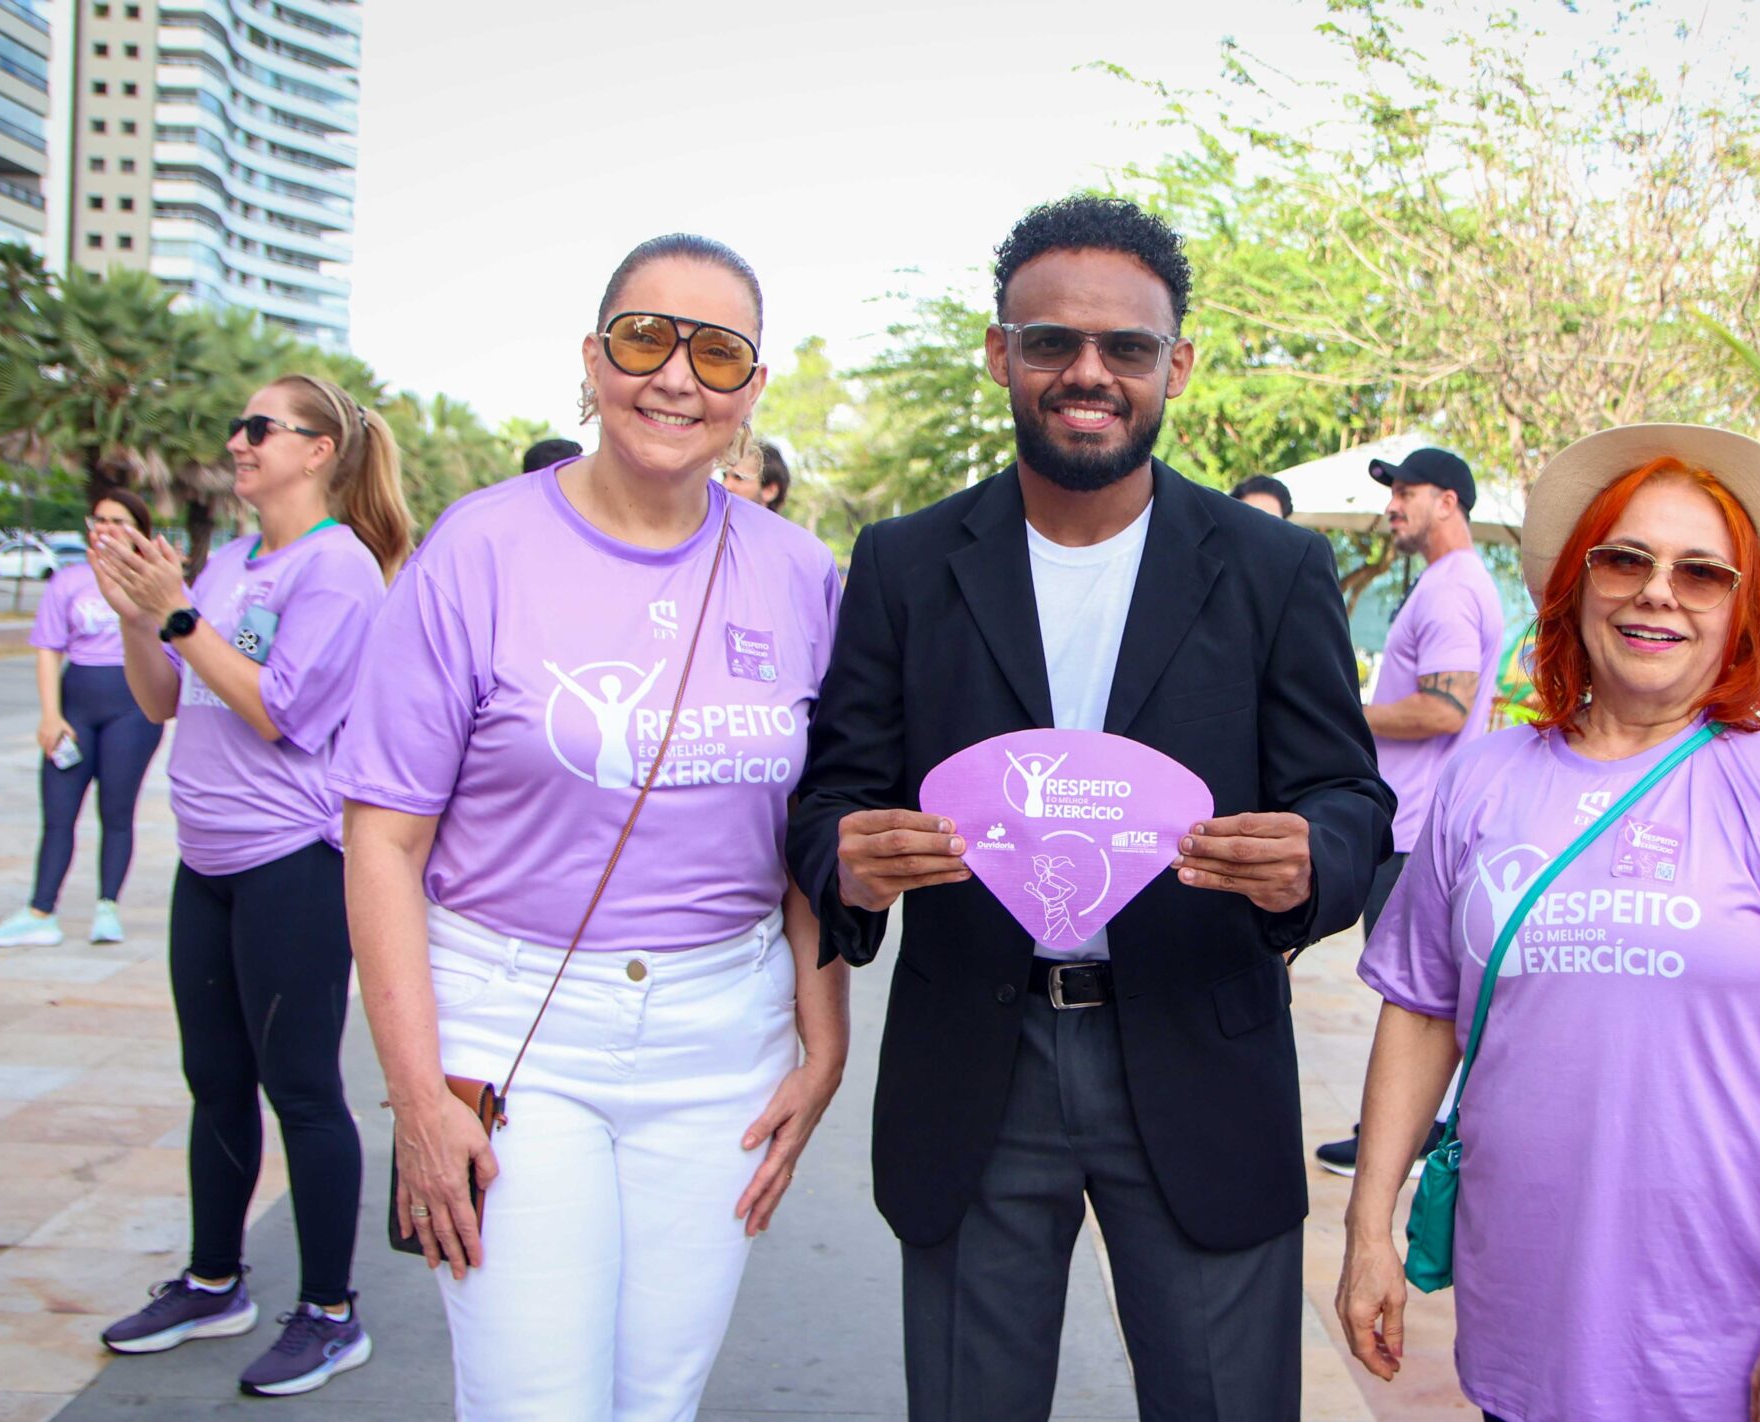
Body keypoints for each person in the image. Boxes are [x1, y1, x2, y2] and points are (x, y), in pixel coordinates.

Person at [787, 196, 1393, 1422]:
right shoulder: (906, 565)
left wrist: (1311, 861)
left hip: (1195, 1045)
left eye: (1125, 348)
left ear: (1175, 366)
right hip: (975, 1059)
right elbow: (831, 798)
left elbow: (1350, 799)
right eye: (1052, 340)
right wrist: (850, 861)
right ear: (999, 353)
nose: (1087, 373)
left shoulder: (1272, 569)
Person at [336, 234, 850, 1422]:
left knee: (657, 1397)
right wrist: (417, 1098)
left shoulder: (799, 574)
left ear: (752, 388)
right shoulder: (480, 547)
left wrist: (822, 1047)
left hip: (722, 1035)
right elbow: (382, 841)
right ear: (591, 358)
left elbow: (810, 845)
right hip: (511, 1027)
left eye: (717, 352)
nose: (677, 378)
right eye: (644, 339)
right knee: (533, 1401)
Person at [1337, 424, 1760, 1422]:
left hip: (1720, 1345)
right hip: (1522, 1318)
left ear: (1745, 611)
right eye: (1626, 559)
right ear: (1577, 583)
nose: (1657, 591)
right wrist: (1368, 1228)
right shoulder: (1484, 778)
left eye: (1702, 573)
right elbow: (1423, 1012)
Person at [88, 372, 410, 1398]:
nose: (237, 440)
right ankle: (213, 1278)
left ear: (319, 450)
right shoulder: (229, 562)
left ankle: (329, 1312)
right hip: (209, 862)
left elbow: (280, 713)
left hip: (294, 863)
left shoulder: (341, 570)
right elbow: (162, 702)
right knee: (215, 1079)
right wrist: (141, 618)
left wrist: (177, 614)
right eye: (237, 424)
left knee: (303, 1089)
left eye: (259, 427)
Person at [1314, 446, 1504, 1177]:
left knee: (1417, 997)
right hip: (1417, 821)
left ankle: (1413, 1136)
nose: (1392, 505)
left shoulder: (1452, 590)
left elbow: (1443, 707)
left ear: (1448, 501)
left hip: (1417, 826)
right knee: (1422, 990)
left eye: (1407, 491)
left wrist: (1344, 716)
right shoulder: (1447, 583)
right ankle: (1413, 1128)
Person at [0, 489, 167, 948]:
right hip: (76, 705)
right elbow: (48, 648)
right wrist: (50, 715)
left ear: (140, 531)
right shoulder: (68, 581)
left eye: (119, 520)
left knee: (117, 812)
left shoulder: (156, 583)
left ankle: (107, 909)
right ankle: (40, 910)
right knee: (59, 812)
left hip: (133, 708)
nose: (106, 528)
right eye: (99, 519)